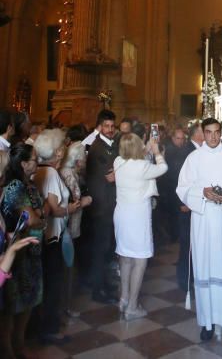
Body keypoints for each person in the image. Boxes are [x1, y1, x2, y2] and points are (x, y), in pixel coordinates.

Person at [176, 117, 222, 341]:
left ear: (221, 133)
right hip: (204, 219)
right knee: (206, 266)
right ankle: (207, 322)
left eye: (217, 132)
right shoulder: (194, 158)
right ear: (203, 133)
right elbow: (183, 187)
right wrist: (202, 193)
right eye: (209, 132)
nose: (213, 137)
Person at [34, 128, 82, 344]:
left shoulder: (39, 170)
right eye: (61, 145)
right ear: (57, 152)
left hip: (44, 234)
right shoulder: (51, 173)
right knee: (53, 282)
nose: (64, 148)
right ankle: (51, 328)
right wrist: (72, 208)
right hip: (52, 235)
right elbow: (54, 207)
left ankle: (44, 325)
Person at [114, 133, 167, 319]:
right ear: (138, 147)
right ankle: (133, 307)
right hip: (138, 216)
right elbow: (163, 168)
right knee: (140, 259)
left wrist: (146, 147)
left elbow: (134, 157)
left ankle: (124, 298)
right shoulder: (143, 166)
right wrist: (157, 151)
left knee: (125, 256)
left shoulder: (118, 162)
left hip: (121, 214)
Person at [0, 143, 45, 358]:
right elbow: (35, 219)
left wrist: (40, 215)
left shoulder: (30, 184)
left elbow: (39, 215)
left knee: (27, 301)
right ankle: (13, 349)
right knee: (12, 305)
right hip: (16, 255)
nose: (38, 161)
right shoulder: (16, 186)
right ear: (24, 163)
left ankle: (19, 346)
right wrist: (41, 215)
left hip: (30, 251)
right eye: (35, 158)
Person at [85, 109, 119, 303]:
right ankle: (98, 289)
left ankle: (104, 284)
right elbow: (109, 176)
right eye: (106, 126)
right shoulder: (98, 148)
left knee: (106, 248)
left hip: (109, 205)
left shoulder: (111, 146)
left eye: (112, 126)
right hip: (102, 207)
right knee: (100, 249)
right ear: (100, 127)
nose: (110, 129)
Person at [59, 141, 93, 314]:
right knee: (67, 267)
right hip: (69, 227)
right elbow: (73, 203)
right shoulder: (69, 175)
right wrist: (86, 201)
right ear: (78, 160)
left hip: (69, 227)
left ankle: (65, 305)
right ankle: (65, 306)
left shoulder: (66, 171)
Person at [176, 122, 204, 290]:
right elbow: (177, 178)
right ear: (198, 134)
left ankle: (193, 278)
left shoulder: (198, 151)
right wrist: (183, 202)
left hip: (196, 205)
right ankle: (185, 282)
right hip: (187, 206)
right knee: (187, 245)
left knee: (195, 244)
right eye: (205, 132)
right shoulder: (187, 152)